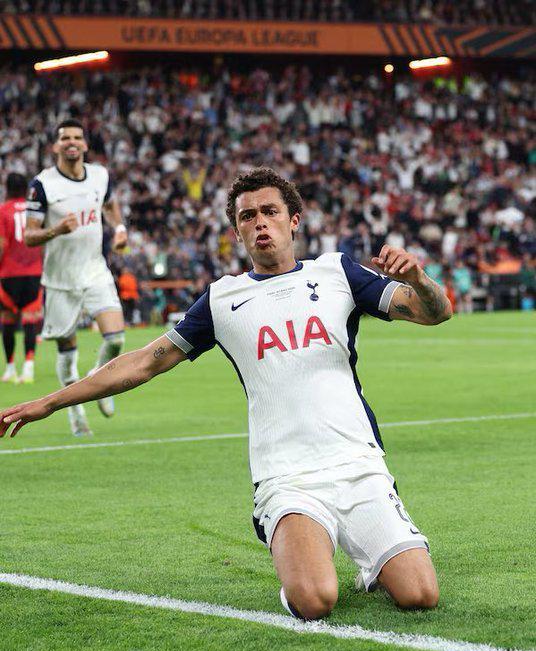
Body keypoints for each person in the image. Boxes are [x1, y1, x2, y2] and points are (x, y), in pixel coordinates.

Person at [0, 168, 452, 619]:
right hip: (288, 478)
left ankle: (370, 566)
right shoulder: (222, 299)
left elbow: (435, 312)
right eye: (247, 216)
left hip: (359, 465)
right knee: (315, 601)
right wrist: (49, 402)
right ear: (237, 231)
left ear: (294, 220)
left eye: (270, 211)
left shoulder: (337, 272)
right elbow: (144, 362)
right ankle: (304, 565)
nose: (260, 222)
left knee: (420, 594)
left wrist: (418, 279)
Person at [24, 119, 128, 436]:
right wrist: (56, 230)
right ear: (55, 146)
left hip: (95, 270)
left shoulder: (100, 175)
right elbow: (29, 236)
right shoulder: (43, 184)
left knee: (116, 338)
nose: (71, 142)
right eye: (65, 138)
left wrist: (119, 228)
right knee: (67, 354)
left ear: (85, 144)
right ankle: (76, 415)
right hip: (60, 280)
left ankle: (100, 379)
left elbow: (110, 205)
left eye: (77, 137)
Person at [0, 173, 43, 384]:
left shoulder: (3, 210)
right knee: (30, 321)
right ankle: (29, 367)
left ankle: (10, 368)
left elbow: (1, 244)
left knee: (8, 321)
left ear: (6, 187)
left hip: (9, 274)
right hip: (33, 273)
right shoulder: (33, 210)